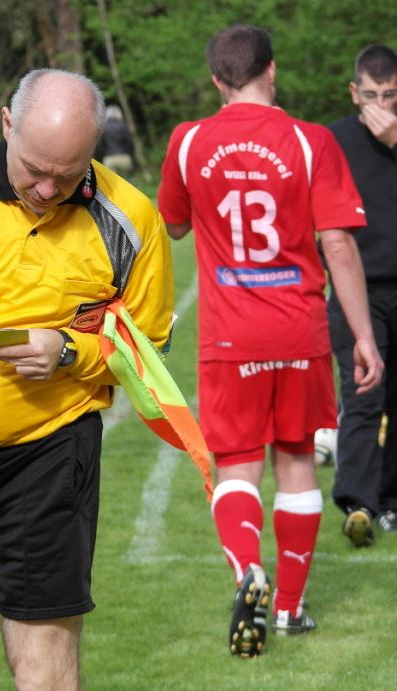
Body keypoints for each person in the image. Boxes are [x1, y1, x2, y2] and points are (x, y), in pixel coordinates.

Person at [0, 69, 174, 690]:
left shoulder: (129, 219)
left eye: (68, 174)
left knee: (45, 668)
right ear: (5, 124)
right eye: (35, 169)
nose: (47, 188)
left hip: (49, 454)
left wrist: (71, 352)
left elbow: (149, 345)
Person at [158, 24, 383, 657]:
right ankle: (288, 609)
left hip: (230, 335)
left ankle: (246, 573)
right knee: (295, 463)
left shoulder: (189, 140)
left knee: (235, 466)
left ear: (216, 80)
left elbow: (173, 225)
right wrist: (363, 335)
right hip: (301, 332)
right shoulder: (312, 142)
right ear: (272, 71)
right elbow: (337, 242)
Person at [328, 45, 397, 547]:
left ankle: (391, 500)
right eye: (371, 95)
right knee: (362, 395)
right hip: (359, 290)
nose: (380, 105)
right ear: (354, 93)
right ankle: (358, 503)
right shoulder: (335, 139)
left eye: (391, 95)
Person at [94, 104, 136, 176]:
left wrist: (100, 159)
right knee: (125, 182)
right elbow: (129, 143)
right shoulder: (123, 126)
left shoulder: (103, 128)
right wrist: (132, 157)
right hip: (124, 157)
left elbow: (100, 146)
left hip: (109, 159)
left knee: (111, 184)